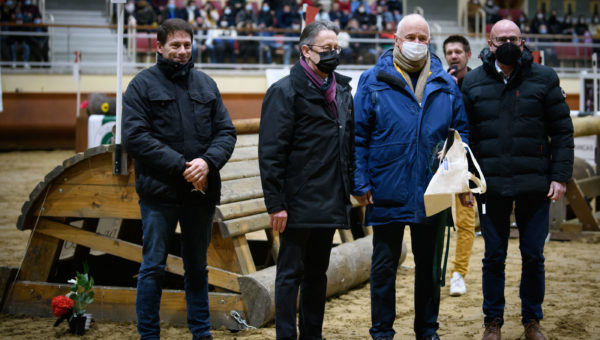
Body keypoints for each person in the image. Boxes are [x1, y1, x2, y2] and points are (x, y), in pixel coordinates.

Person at [353, 14, 470, 340]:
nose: (417, 43)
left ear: (429, 42)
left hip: (432, 189)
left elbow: (461, 135)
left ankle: (427, 331)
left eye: (423, 37)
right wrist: (360, 182)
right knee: (383, 268)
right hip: (385, 187)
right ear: (396, 39)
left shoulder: (446, 84)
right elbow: (358, 135)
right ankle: (382, 333)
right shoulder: (372, 80)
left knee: (430, 269)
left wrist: (456, 177)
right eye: (411, 36)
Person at [122, 18, 236, 340]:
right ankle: (149, 335)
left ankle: (201, 332)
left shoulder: (206, 85)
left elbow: (225, 131)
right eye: (175, 45)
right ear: (159, 47)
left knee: (197, 267)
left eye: (187, 45)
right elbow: (136, 137)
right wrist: (183, 165)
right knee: (153, 266)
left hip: (200, 194)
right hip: (159, 195)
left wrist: (207, 161)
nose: (182, 51)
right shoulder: (141, 86)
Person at [460, 19, 574, 340]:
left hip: (535, 184)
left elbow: (563, 132)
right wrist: (466, 181)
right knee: (493, 256)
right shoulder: (472, 82)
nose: (508, 43)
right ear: (490, 42)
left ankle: (531, 320)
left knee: (533, 255)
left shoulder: (545, 78)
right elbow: (463, 136)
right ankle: (492, 321)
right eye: (501, 39)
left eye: (514, 37)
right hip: (490, 185)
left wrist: (560, 176)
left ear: (522, 42)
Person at [258, 20, 354, 340]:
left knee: (317, 274)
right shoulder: (284, 91)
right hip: (296, 202)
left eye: (336, 48)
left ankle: (312, 334)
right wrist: (276, 203)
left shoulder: (341, 90)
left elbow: (347, 144)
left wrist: (347, 190)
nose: (333, 54)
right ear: (306, 51)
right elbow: (271, 153)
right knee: (289, 274)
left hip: (330, 199)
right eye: (326, 49)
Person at [443, 34, 476, 297]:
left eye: (458, 52)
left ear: (468, 54)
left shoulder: (478, 84)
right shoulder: (440, 82)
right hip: (442, 160)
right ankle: (435, 269)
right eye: (449, 52)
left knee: (465, 221)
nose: (453, 56)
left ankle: (458, 273)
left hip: (468, 161)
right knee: (434, 218)